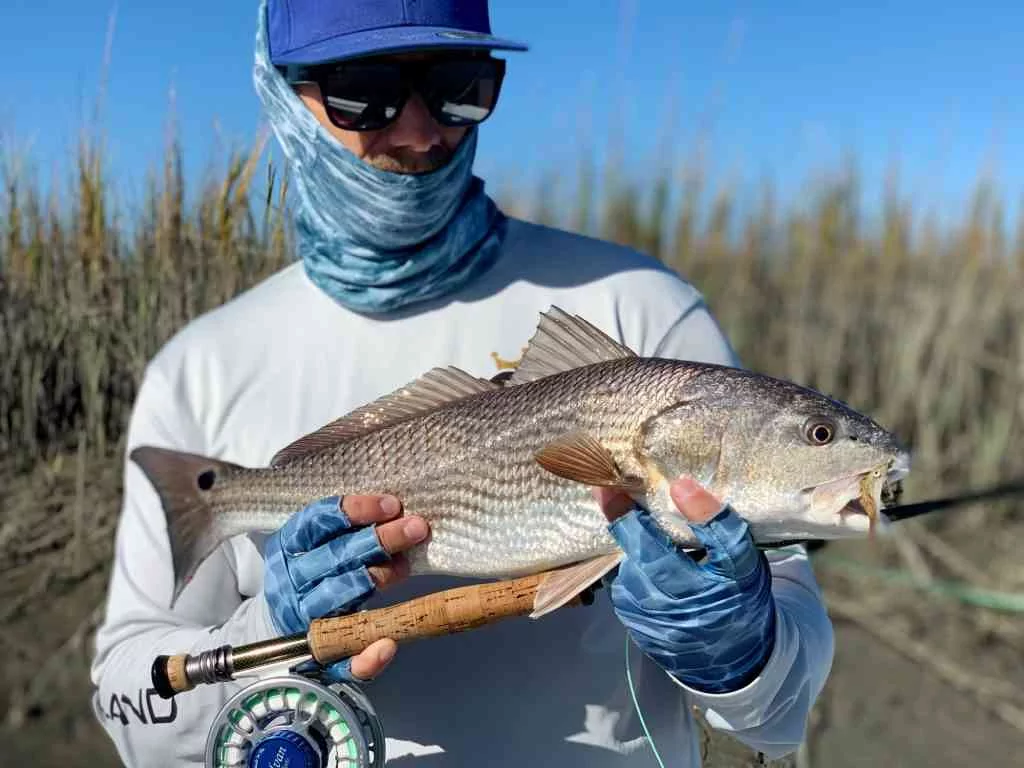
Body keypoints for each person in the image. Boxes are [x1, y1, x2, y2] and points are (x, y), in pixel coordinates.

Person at [89, 0, 835, 765]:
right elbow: (131, 715)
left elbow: (781, 718)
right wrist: (270, 635)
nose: (420, 134)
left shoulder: (644, 307)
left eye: (458, 85)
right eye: (363, 89)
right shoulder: (199, 367)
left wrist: (743, 651)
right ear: (282, 92)